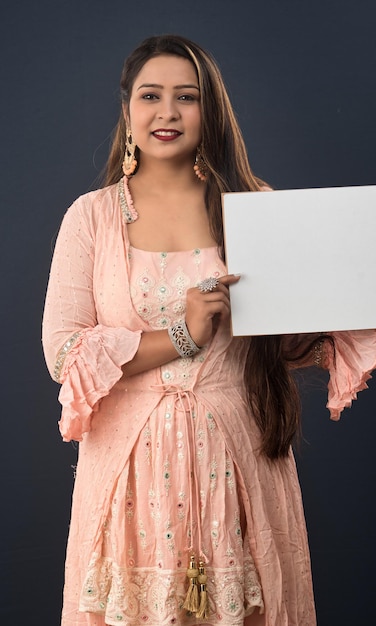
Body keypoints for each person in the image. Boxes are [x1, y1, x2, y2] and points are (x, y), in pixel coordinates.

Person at [42, 34, 376, 626]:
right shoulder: (90, 217)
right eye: (151, 95)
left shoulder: (255, 206)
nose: (167, 112)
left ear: (209, 110)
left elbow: (283, 344)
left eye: (186, 97)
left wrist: (334, 296)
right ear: (128, 111)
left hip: (237, 461)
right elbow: (65, 351)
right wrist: (182, 333)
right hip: (130, 475)